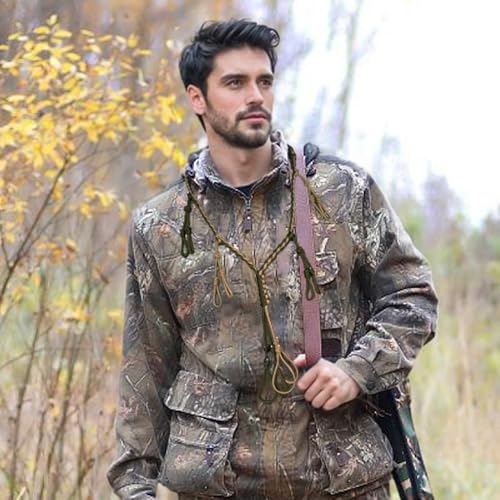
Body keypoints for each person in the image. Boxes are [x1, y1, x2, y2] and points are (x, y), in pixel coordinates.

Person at [107, 19, 437, 500]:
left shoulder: (342, 192)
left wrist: (355, 371)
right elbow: (146, 365)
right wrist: (135, 486)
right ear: (197, 98)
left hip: (341, 482)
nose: (255, 96)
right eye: (235, 83)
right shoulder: (160, 224)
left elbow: (413, 297)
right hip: (217, 486)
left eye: (264, 81)